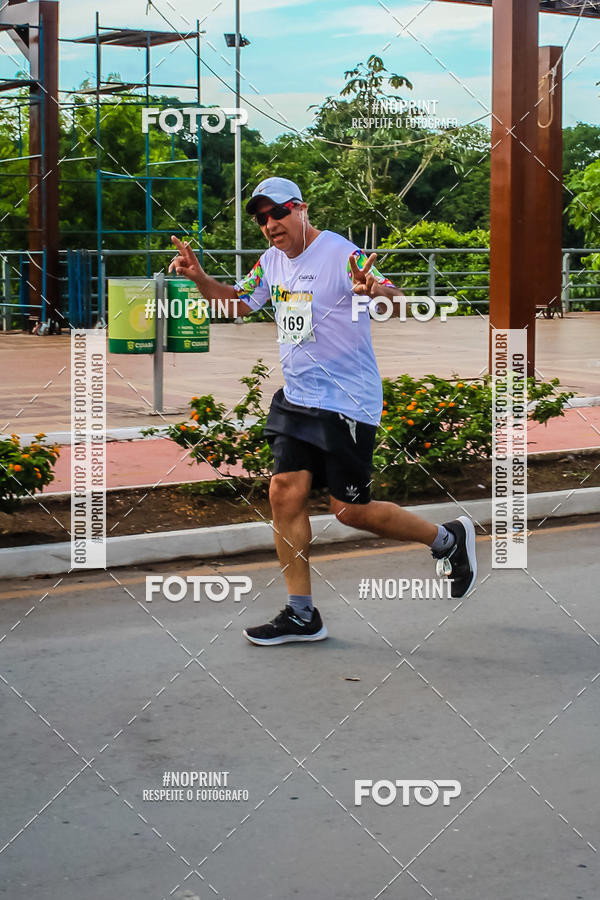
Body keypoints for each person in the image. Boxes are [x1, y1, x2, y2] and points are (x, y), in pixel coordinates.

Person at [169, 176, 477, 647]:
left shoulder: (340, 253)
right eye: (261, 217)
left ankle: (448, 538)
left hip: (346, 402)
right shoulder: (271, 263)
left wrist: (372, 292)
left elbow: (394, 302)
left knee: (350, 512)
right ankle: (301, 614)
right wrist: (199, 279)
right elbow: (236, 303)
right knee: (283, 493)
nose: (270, 224)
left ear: (301, 209)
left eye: (278, 213)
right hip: (298, 397)